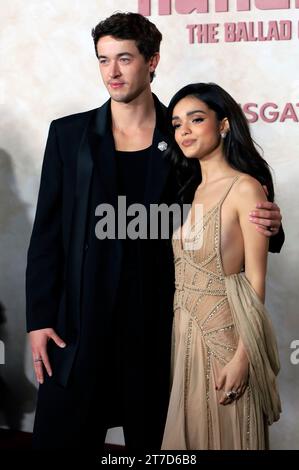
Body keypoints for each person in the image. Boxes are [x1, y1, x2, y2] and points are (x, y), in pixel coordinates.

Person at [26, 13, 284, 451]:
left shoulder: (183, 133)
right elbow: (46, 234)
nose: (112, 71)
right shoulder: (69, 136)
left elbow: (230, 196)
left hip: (159, 331)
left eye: (124, 58)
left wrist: (271, 224)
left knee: (156, 451)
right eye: (103, 59)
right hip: (80, 326)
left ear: (152, 61)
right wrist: (40, 320)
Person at [161, 83, 282, 450]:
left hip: (226, 339)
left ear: (224, 124)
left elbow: (256, 284)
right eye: (177, 123)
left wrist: (244, 357)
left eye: (196, 119)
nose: (184, 131)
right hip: (185, 334)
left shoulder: (245, 188)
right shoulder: (191, 188)